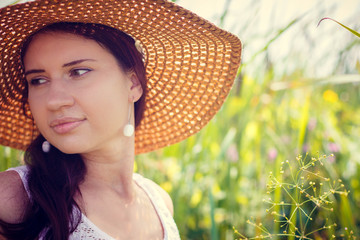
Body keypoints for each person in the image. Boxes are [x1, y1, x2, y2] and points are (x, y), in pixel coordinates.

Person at [0, 0, 242, 239]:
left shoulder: (160, 204)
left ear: (134, 83)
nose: (54, 101)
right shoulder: (14, 198)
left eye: (78, 72)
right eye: (38, 80)